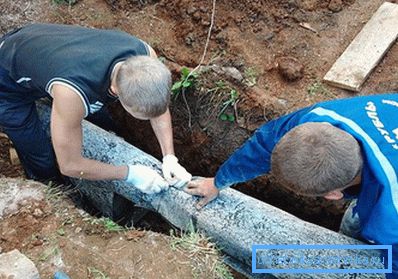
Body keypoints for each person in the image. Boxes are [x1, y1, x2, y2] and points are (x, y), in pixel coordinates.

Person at [185, 93, 398, 277]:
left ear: (333, 195)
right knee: (360, 226)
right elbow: (261, 148)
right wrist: (217, 182)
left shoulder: (391, 217)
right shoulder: (318, 120)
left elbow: (395, 262)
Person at [0, 23, 191, 194]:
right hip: (7, 83)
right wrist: (128, 174)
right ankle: (50, 189)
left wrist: (169, 156)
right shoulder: (72, 92)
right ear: (115, 91)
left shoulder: (145, 56)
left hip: (43, 47)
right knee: (40, 155)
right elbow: (69, 164)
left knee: (105, 123)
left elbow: (159, 107)